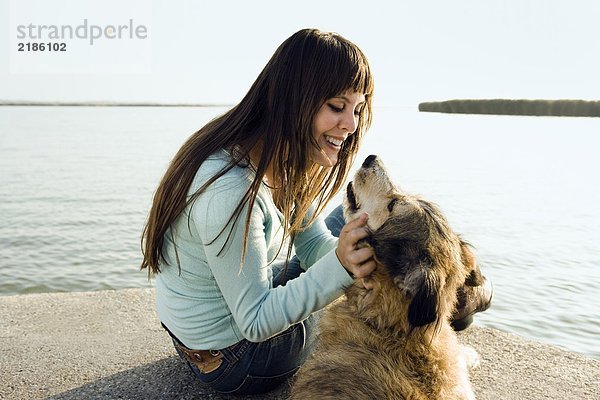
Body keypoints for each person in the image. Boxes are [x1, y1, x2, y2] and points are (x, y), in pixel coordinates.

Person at [141, 28, 491, 396]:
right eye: (337, 107)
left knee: (361, 227)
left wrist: (353, 263)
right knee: (376, 251)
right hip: (236, 359)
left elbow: (310, 248)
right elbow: (256, 322)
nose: (351, 125)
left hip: (222, 323)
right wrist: (345, 267)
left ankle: (445, 298)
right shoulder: (229, 192)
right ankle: (455, 303)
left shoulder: (277, 161)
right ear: (292, 102)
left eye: (356, 109)